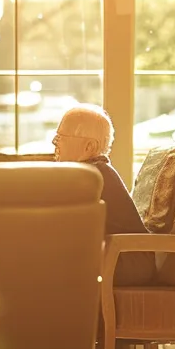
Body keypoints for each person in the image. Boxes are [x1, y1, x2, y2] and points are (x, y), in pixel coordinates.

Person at [52, 104, 156, 285]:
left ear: (89, 146)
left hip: (126, 261)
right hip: (118, 257)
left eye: (61, 137)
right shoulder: (91, 173)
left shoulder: (95, 176)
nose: (54, 142)